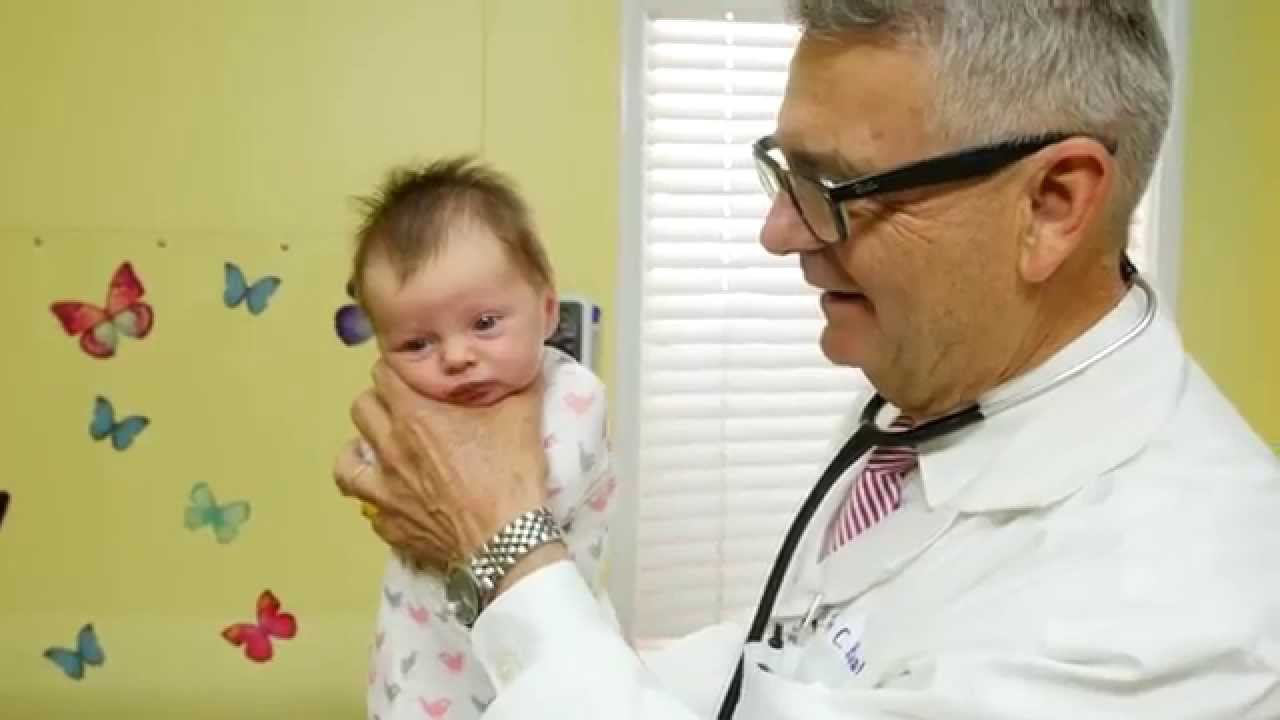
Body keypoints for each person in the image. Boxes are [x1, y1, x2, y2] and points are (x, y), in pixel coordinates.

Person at [334, 2, 1280, 718]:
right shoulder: (932, 396)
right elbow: (787, 662)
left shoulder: (1177, 615)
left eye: (832, 184)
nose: (777, 231)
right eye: (784, 172)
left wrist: (502, 554)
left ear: (1053, 204)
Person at [344, 157, 618, 720]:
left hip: (552, 638)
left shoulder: (572, 394)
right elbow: (383, 483)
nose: (457, 357)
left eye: (485, 324)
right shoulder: (409, 411)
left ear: (545, 311)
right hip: (420, 652)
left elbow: (540, 496)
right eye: (416, 344)